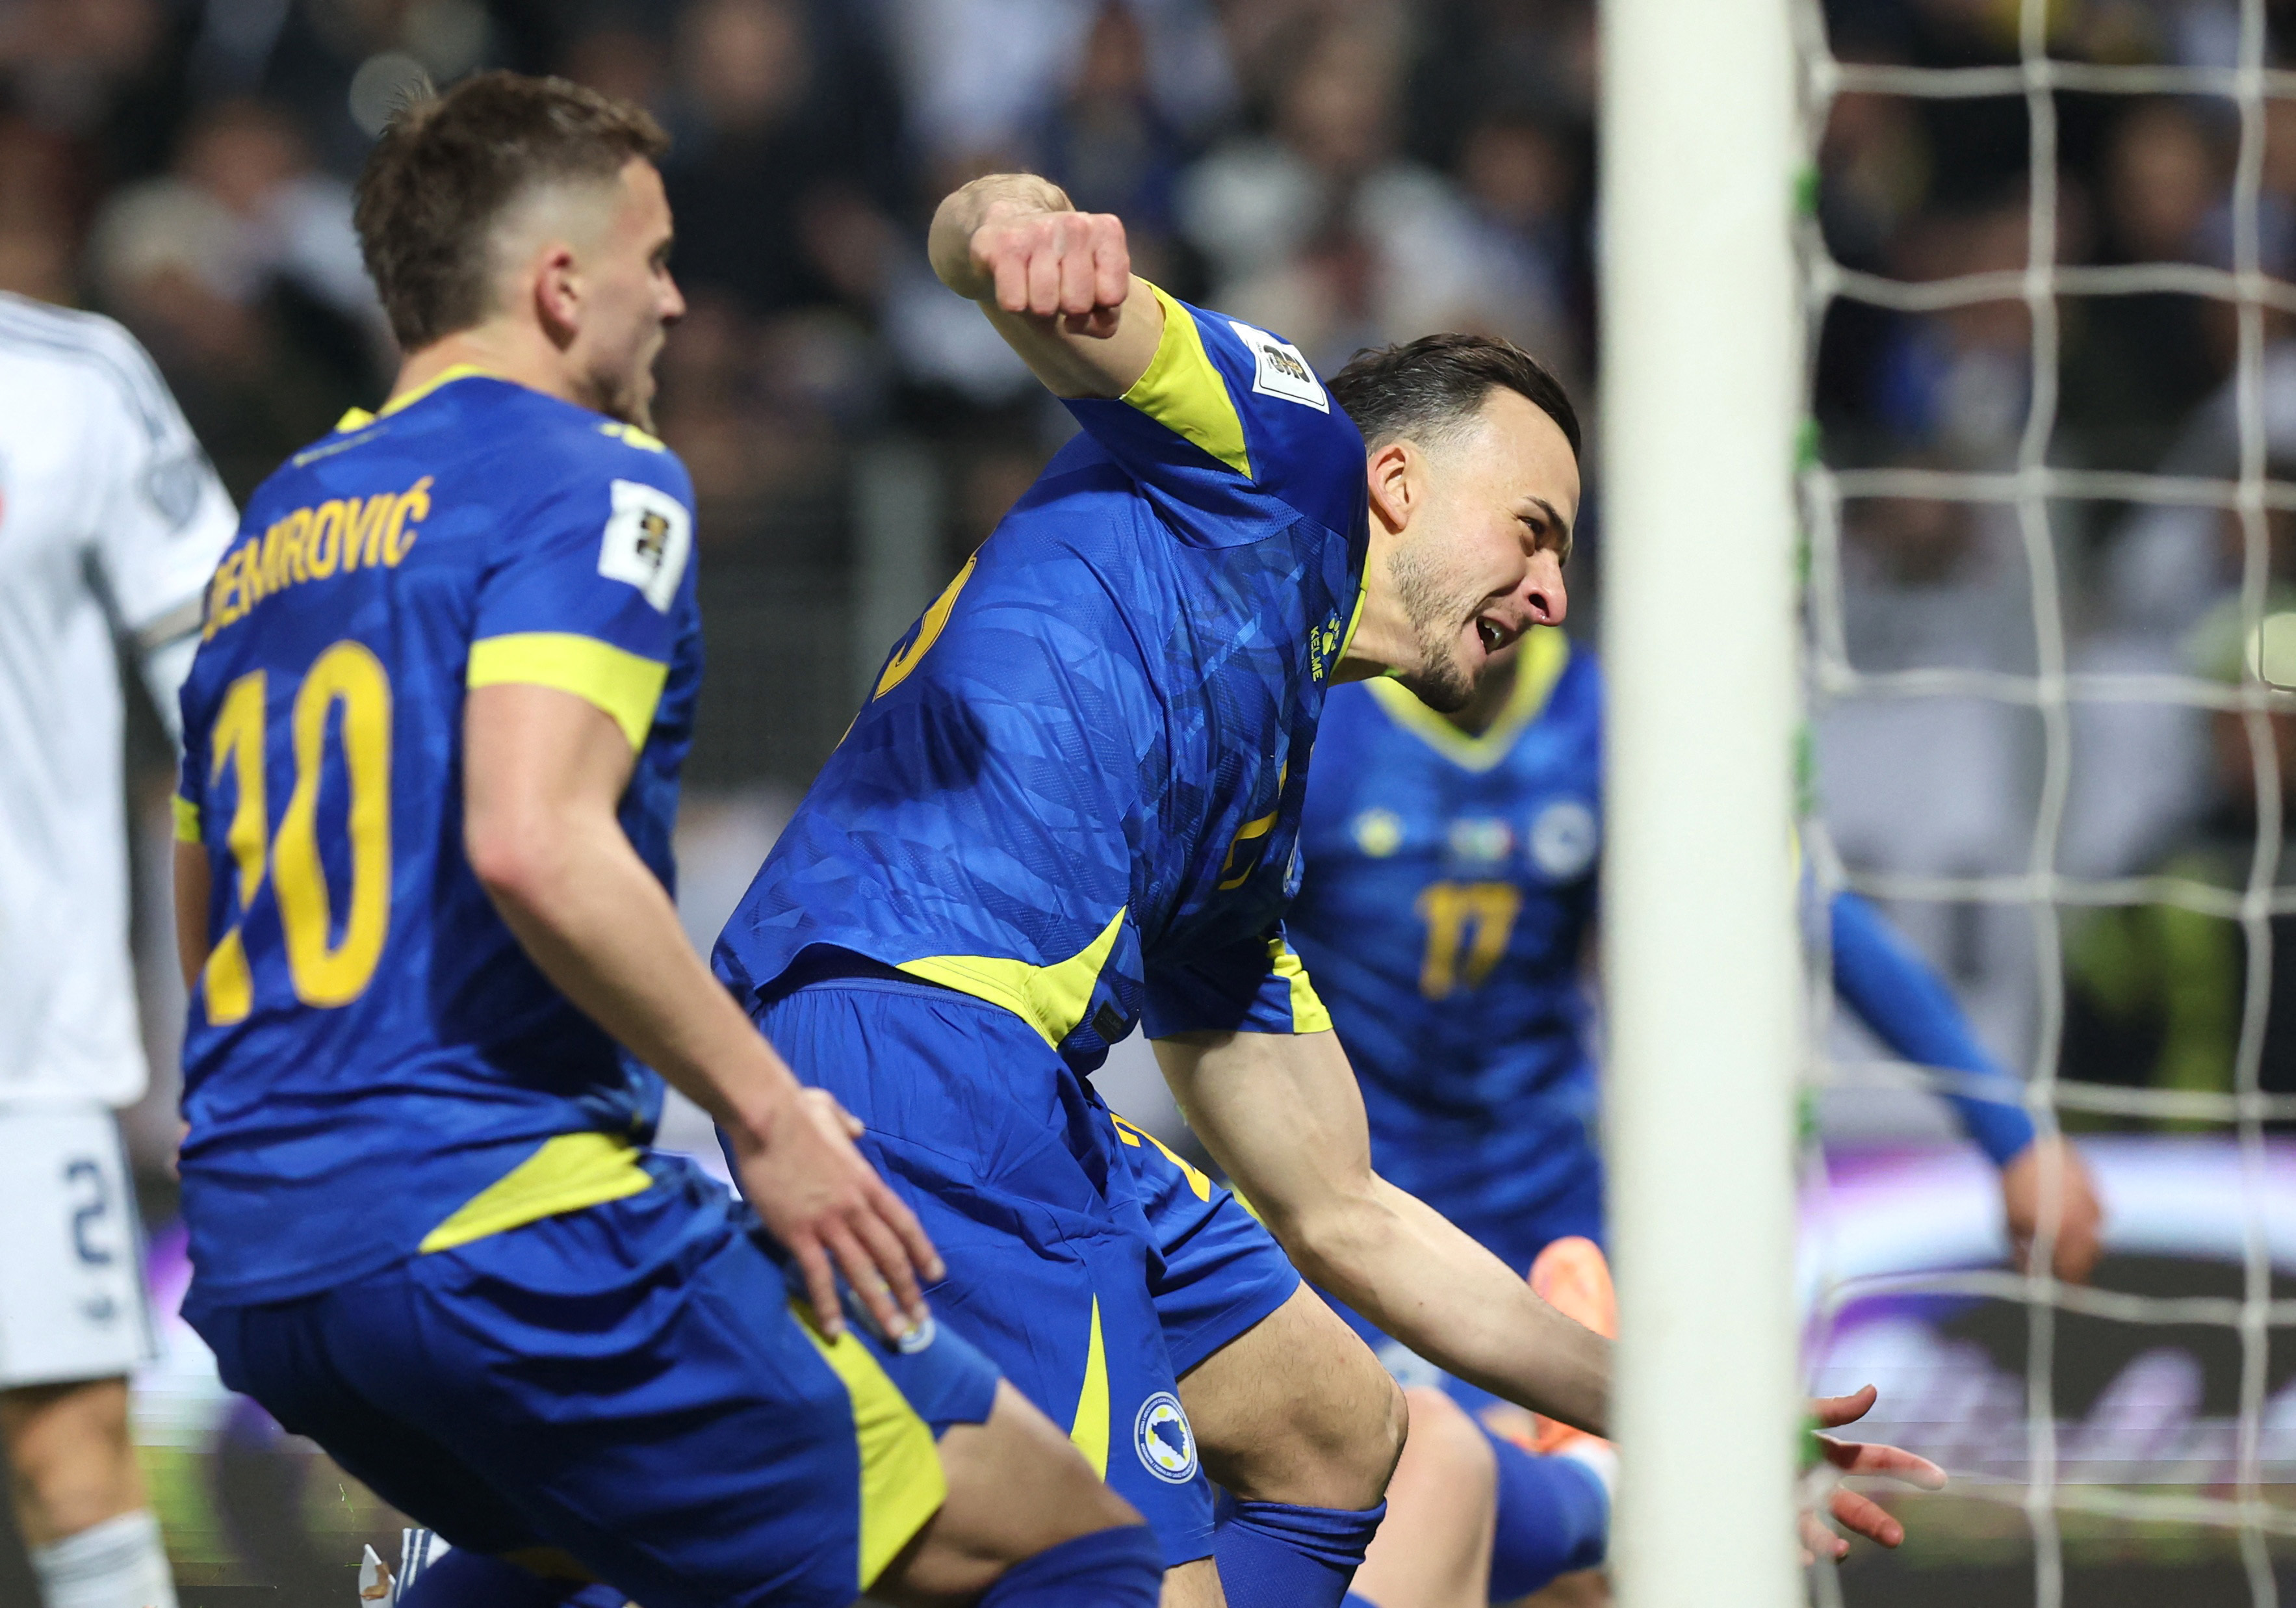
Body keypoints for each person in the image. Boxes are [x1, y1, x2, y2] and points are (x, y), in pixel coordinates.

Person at [712, 171, 1942, 1607]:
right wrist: (1013, 227)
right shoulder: (1288, 447)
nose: (1554, 593)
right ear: (1401, 483)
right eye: (1535, 530)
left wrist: (1702, 1437)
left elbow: (1350, 1210)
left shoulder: (1251, 810)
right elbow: (1003, 256)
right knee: (1123, 1567)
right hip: (912, 1032)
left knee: (1339, 1426)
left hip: (1021, 1101)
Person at [168, 74, 1162, 1608]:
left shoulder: (274, 533)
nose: (681, 299)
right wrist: (765, 1116)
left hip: (260, 1249)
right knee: (1063, 1541)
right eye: (656, 257)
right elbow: (533, 838)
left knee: (592, 1544)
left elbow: (208, 898)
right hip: (493, 1222)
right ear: (562, 288)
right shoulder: (590, 479)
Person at [1291, 629, 2107, 1607]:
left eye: (1554, 540)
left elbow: (1812, 914)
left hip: (1549, 1212)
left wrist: (2012, 1136)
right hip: (1355, 1214)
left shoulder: (1615, 723)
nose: (1534, 578)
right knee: (1432, 1500)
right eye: (1520, 527)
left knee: (1572, 1567)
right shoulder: (1316, 724)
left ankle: (1586, 1496)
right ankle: (1586, 1492)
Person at [0, 293, 238, 1608]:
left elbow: (235, 690)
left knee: (74, 1450)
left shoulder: (68, 383)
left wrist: (252, 1019)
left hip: (21, 1044)